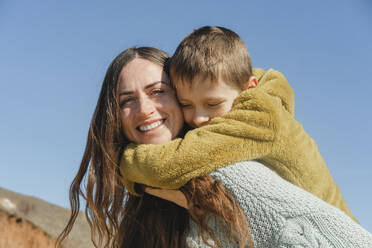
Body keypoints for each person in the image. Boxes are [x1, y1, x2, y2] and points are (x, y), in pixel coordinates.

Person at [119, 26, 357, 222]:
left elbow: (168, 165)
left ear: (249, 87)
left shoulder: (258, 115)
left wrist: (123, 160)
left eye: (212, 104)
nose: (199, 118)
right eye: (187, 105)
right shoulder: (241, 100)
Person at [56, 46, 252, 248]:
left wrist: (216, 215)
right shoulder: (143, 196)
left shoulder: (236, 170)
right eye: (127, 100)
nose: (143, 110)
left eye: (157, 91)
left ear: (182, 94)